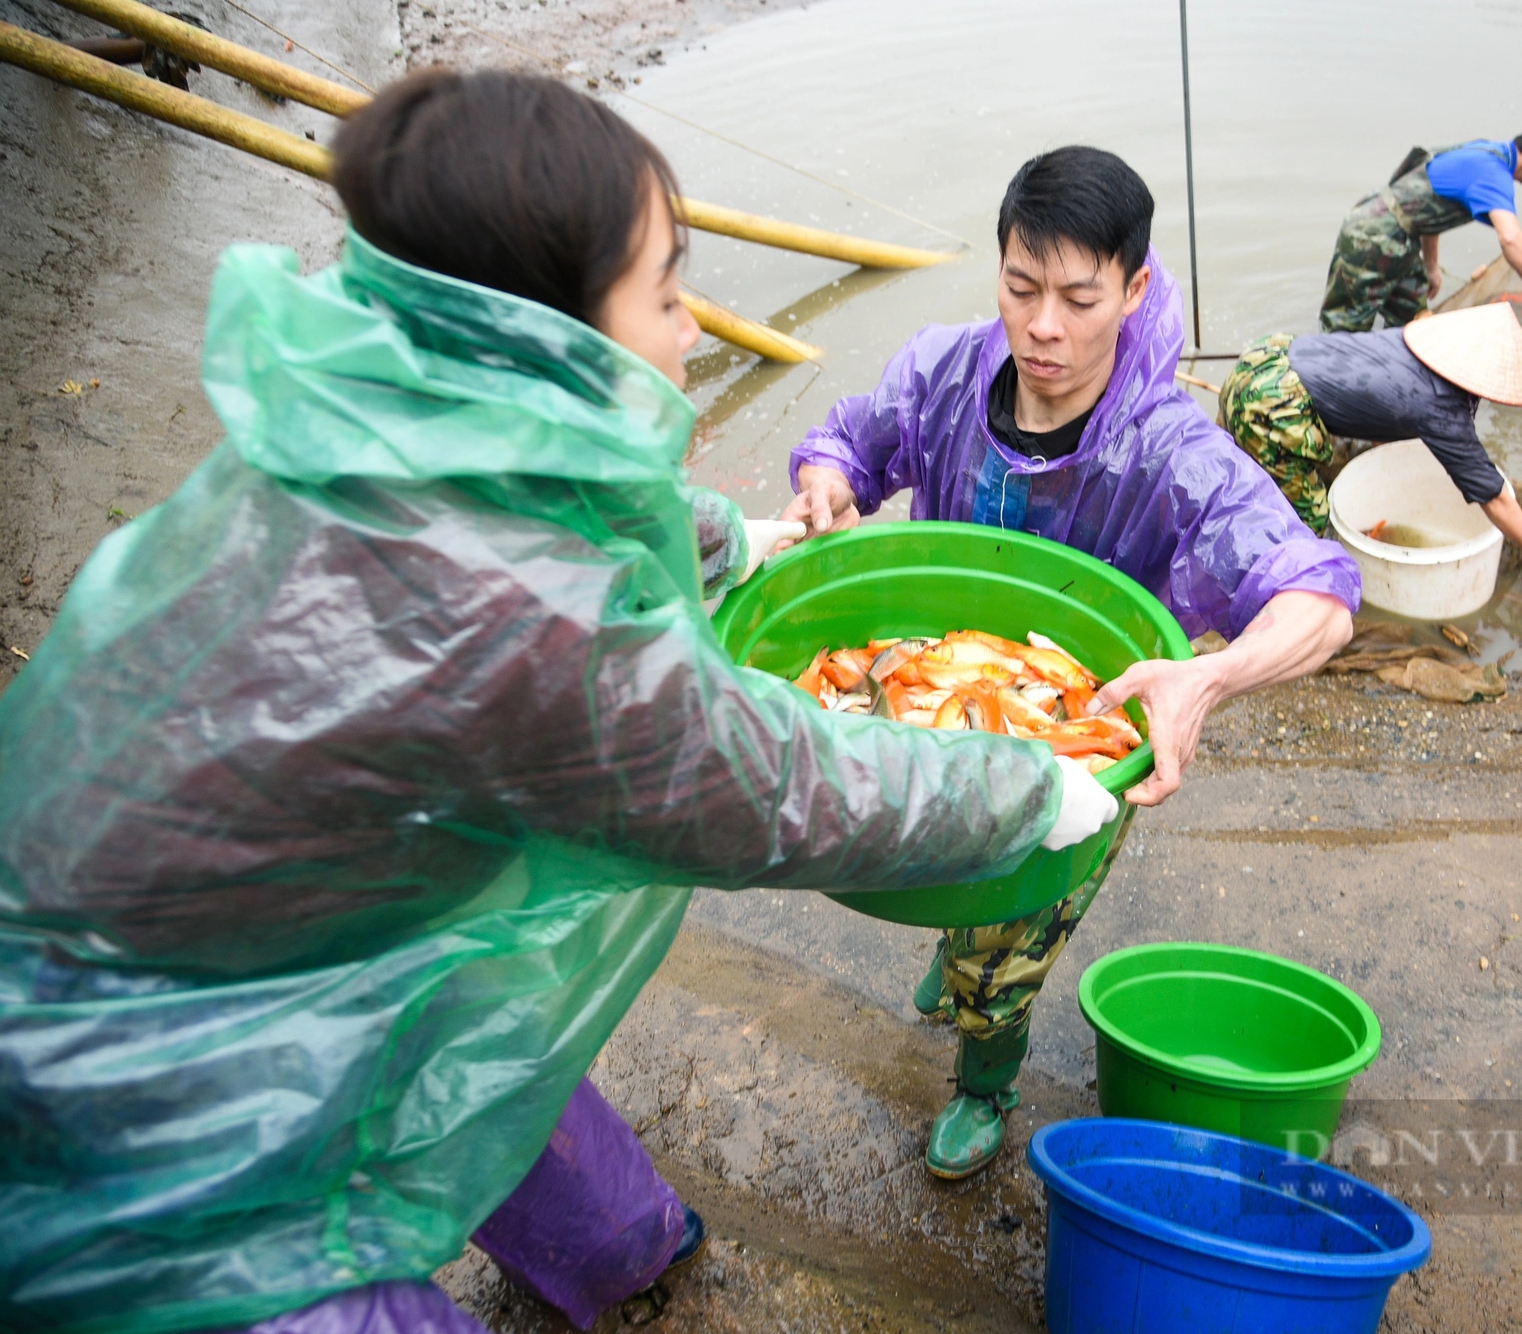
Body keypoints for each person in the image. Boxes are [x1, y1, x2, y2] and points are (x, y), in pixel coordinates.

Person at [0, 72, 1122, 1334]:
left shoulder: (360, 409)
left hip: (272, 917)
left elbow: (530, 500)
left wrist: (723, 540)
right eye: (661, 287)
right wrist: (1029, 782)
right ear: (541, 335)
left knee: (479, 1027)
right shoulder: (543, 645)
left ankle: (621, 1252)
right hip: (138, 1117)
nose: (693, 324)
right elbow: (784, 789)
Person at [780, 146, 1361, 1179]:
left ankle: (983, 1077)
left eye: (1079, 297)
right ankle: (952, 947)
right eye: (1019, 287)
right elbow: (852, 440)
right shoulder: (947, 369)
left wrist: (1207, 676)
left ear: (1132, 291)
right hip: (929, 695)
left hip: (1069, 744)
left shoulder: (1170, 448)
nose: (1042, 325)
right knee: (938, 874)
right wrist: (826, 483)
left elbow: (1317, 596)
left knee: (1005, 948)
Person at [1219, 302, 1522, 611]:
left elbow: (1380, 402)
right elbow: (1495, 499)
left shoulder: (1415, 341)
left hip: (1264, 357)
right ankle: (1277, 609)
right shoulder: (1439, 406)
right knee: (1311, 520)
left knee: (1234, 473)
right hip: (1270, 403)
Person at [1319, 116, 1522, 333]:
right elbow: (1511, 238)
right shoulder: (1494, 175)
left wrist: (1431, 266)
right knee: (1344, 333)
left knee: (1412, 326)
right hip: (1372, 237)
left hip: (1401, 238)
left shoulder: (1488, 150)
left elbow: (1430, 208)